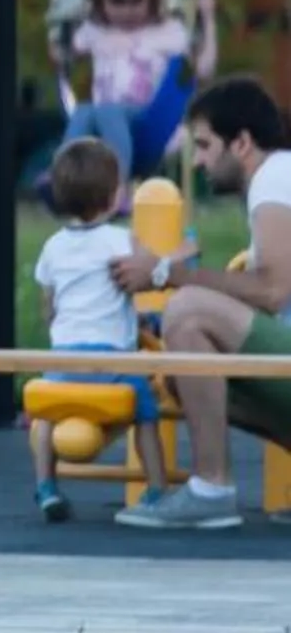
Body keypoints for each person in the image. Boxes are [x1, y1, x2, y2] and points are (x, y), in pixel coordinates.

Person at [109, 77, 291, 530]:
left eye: (206, 145)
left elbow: (273, 291)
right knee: (182, 371)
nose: (200, 160)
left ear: (243, 142)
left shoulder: (276, 176)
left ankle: (212, 488)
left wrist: (167, 274)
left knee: (189, 311)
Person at [25, 139, 165, 524]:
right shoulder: (122, 241)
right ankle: (156, 489)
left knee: (47, 416)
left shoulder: (52, 248)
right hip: (111, 363)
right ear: (112, 196)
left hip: (65, 360)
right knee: (147, 413)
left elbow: (49, 310)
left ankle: (46, 486)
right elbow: (145, 277)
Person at [49, 0, 208, 173]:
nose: (127, 10)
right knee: (83, 112)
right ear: (100, 0)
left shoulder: (167, 31)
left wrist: (209, 20)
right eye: (117, 1)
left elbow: (202, 69)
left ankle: (117, 185)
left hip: (151, 122)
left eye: (136, 1)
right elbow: (60, 58)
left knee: (108, 111)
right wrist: (57, 6)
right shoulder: (96, 33)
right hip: (105, 125)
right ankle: (66, 177)